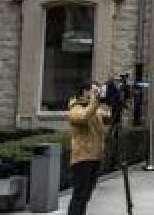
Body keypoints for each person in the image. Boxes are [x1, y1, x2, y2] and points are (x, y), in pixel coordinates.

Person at [66, 83, 107, 215]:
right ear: (84, 92)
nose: (95, 94)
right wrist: (95, 102)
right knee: (79, 195)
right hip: (82, 158)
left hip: (95, 157)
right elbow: (83, 117)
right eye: (93, 90)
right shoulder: (75, 107)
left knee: (86, 195)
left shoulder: (93, 109)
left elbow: (105, 117)